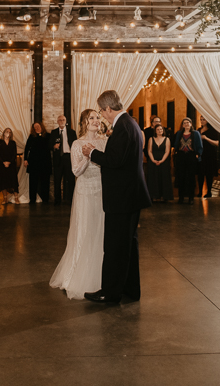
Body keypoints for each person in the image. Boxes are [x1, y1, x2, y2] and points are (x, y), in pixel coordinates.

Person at [81, 90, 152, 304]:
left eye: (102, 112)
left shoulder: (123, 127)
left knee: (114, 247)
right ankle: (130, 290)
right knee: (127, 246)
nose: (103, 116)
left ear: (108, 108)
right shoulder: (131, 124)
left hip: (122, 198)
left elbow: (114, 160)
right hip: (130, 195)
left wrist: (91, 153)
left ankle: (110, 293)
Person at [50, 109, 108, 299]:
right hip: (84, 192)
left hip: (101, 191)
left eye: (97, 118)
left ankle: (101, 276)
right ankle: (78, 274)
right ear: (84, 122)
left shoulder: (105, 141)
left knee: (101, 232)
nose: (96, 121)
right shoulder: (77, 143)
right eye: (91, 118)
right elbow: (76, 171)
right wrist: (88, 155)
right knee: (84, 230)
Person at [173, 118, 202, 205]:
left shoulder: (196, 133)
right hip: (181, 156)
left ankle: (191, 198)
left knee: (191, 177)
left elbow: (199, 145)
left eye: (188, 122)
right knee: (181, 177)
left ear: (191, 124)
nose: (186, 124)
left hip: (191, 156)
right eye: (184, 123)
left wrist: (198, 154)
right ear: (182, 125)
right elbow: (176, 144)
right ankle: (181, 197)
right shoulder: (179, 133)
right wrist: (176, 151)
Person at [50, 115, 77, 205]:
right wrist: (54, 146)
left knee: (70, 179)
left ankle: (72, 199)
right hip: (58, 159)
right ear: (57, 121)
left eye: (63, 120)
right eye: (60, 120)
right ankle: (57, 200)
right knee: (57, 180)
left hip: (68, 158)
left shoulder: (72, 132)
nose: (61, 121)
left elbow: (76, 145)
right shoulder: (53, 132)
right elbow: (49, 145)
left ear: (66, 121)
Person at [24, 121, 51, 204]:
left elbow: (51, 147)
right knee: (33, 182)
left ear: (41, 126)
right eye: (35, 127)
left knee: (45, 182)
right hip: (33, 162)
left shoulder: (48, 136)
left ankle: (45, 199)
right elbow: (27, 148)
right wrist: (25, 159)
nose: (36, 128)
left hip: (45, 162)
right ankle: (32, 199)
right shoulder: (32, 136)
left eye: (38, 126)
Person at [147, 124, 174, 202]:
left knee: (164, 179)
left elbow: (167, 151)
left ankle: (164, 196)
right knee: (153, 179)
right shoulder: (151, 139)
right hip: (153, 161)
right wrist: (153, 160)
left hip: (164, 162)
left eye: (161, 129)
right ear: (155, 131)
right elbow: (149, 151)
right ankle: (154, 195)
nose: (160, 131)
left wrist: (162, 160)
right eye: (158, 129)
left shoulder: (167, 139)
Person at [197, 116, 220, 198]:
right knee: (200, 173)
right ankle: (200, 192)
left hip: (210, 154)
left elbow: (217, 143)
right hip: (201, 154)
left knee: (209, 174)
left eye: (204, 119)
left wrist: (205, 138)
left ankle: (209, 192)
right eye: (201, 120)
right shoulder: (198, 130)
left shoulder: (212, 131)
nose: (202, 121)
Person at [0, 128, 19, 204]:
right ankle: (5, 198)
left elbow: (14, 154)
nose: (8, 133)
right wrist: (3, 162)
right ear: (4, 133)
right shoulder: (0, 142)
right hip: (1, 164)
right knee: (3, 181)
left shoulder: (13, 142)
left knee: (14, 181)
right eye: (7, 131)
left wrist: (9, 162)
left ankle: (16, 198)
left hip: (11, 164)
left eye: (10, 132)